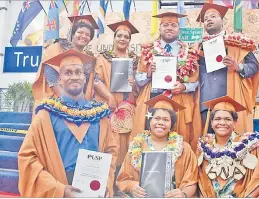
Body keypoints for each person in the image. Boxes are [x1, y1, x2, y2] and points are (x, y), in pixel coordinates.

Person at [18, 49, 118, 197]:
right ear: (59, 79)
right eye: (68, 73)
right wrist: (58, 189)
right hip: (59, 187)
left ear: (85, 78)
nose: (74, 77)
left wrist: (106, 183)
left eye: (78, 72)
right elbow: (27, 157)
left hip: (92, 190)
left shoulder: (100, 116)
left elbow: (111, 152)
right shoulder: (45, 115)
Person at [131, 12, 202, 148]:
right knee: (150, 140)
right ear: (160, 28)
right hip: (153, 100)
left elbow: (195, 81)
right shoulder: (148, 51)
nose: (169, 28)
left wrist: (184, 87)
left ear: (178, 29)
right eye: (165, 25)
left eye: (173, 25)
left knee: (178, 140)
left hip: (178, 101)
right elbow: (138, 80)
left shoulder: (188, 51)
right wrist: (149, 74)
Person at [196, 3, 259, 139]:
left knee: (234, 142)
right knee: (209, 142)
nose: (208, 19)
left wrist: (238, 67)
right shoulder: (197, 46)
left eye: (213, 16)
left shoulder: (236, 43)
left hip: (232, 98)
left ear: (223, 21)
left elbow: (254, 66)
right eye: (206, 18)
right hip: (206, 101)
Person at [116, 94, 198, 198]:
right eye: (157, 118)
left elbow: (191, 181)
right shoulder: (136, 146)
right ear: (149, 121)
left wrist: (183, 194)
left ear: (172, 124)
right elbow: (123, 179)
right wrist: (132, 187)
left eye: (166, 120)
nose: (160, 122)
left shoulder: (183, 148)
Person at [32, 15, 109, 115]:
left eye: (87, 34)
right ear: (72, 34)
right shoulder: (57, 47)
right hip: (55, 102)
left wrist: (82, 104)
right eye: (80, 32)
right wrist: (67, 101)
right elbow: (51, 76)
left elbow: (90, 82)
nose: (84, 36)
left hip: (78, 105)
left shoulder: (88, 59)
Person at [197, 96, 259, 197]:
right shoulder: (204, 147)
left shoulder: (247, 145)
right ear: (211, 123)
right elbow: (199, 180)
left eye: (227, 119)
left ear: (234, 123)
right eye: (217, 119)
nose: (222, 123)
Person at [93, 20, 140, 167]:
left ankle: (122, 180)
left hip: (127, 109)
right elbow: (96, 80)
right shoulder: (103, 58)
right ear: (114, 38)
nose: (122, 39)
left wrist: (135, 83)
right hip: (108, 107)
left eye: (126, 37)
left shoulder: (135, 60)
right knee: (107, 143)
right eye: (119, 35)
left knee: (126, 144)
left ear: (130, 40)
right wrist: (109, 97)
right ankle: (107, 182)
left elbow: (141, 87)